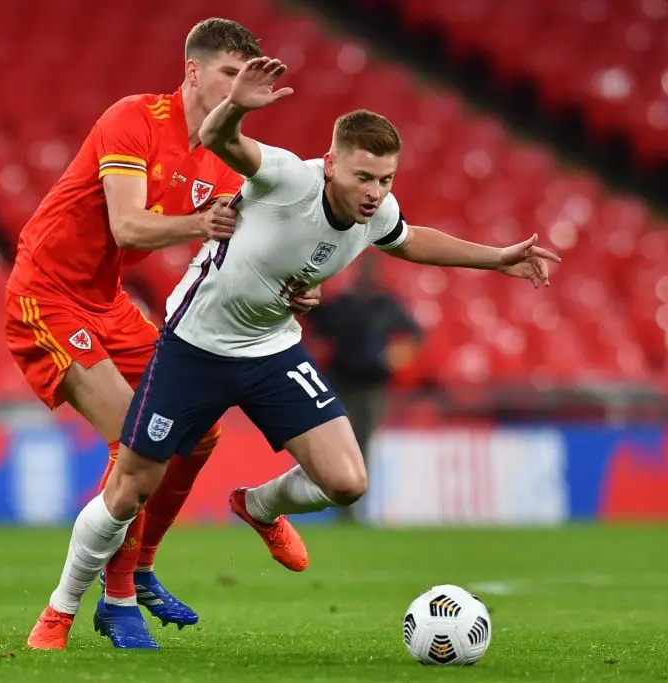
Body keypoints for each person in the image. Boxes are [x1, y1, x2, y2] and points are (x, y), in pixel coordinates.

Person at [28, 56, 561, 646]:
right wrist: (238, 103)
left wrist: (498, 257)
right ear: (331, 163)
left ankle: (258, 506)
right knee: (129, 488)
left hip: (272, 350)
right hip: (194, 347)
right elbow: (217, 138)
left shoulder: (377, 210)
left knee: (348, 481)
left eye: (385, 179)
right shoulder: (284, 176)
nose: (375, 193)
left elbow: (410, 241)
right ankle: (60, 610)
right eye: (363, 177)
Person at [12, 19, 318, 650]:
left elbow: (250, 253)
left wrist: (292, 287)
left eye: (246, 76)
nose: (238, 86)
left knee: (198, 428)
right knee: (134, 441)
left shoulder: (230, 161)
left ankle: (142, 566)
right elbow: (127, 228)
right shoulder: (133, 119)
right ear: (192, 72)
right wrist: (203, 224)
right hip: (45, 294)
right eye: (228, 74)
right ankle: (99, 601)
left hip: (107, 302)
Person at [306, 255, 422, 521]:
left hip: (372, 386)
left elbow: (414, 334)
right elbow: (316, 323)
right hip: (341, 384)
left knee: (363, 445)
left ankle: (354, 508)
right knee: (343, 446)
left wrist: (399, 354)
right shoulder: (343, 304)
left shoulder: (386, 305)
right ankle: (344, 506)